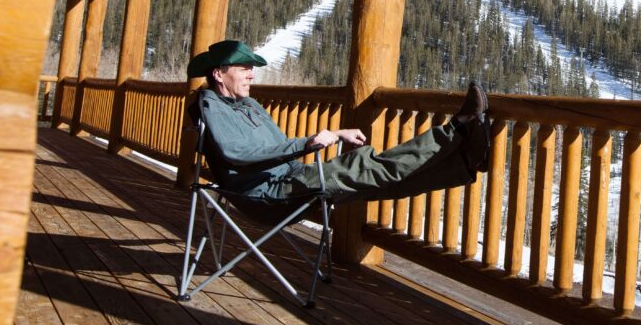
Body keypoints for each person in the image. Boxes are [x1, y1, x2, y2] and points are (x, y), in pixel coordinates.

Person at [187, 39, 490, 204]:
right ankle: (458, 127)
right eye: (244, 68)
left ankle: (465, 161)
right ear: (218, 73)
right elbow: (235, 153)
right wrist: (309, 142)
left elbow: (278, 146)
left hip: (292, 177)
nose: (252, 74)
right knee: (365, 166)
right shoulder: (211, 106)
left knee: (378, 182)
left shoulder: (248, 104)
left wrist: (332, 136)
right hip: (267, 192)